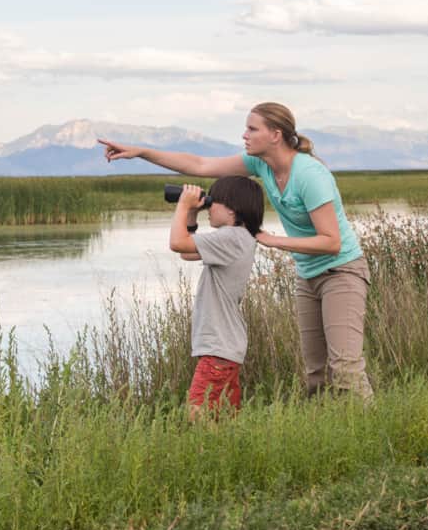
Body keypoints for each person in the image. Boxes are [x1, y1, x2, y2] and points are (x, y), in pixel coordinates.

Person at [99, 102, 373, 399]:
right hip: (307, 274)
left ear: (275, 135)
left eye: (252, 129)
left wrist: (274, 240)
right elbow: (199, 165)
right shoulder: (261, 165)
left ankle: (374, 439)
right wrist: (141, 152)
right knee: (316, 374)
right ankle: (332, 439)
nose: (244, 135)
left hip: (341, 270)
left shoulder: (309, 175)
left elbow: (331, 242)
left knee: (345, 369)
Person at [169, 176, 264, 420]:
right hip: (225, 345)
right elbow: (187, 254)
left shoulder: (232, 236)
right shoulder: (238, 237)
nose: (208, 207)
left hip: (219, 347)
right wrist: (192, 214)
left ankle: (207, 455)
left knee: (197, 412)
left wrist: (183, 204)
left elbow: (177, 244)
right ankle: (226, 456)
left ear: (233, 208)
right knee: (222, 418)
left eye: (213, 202)